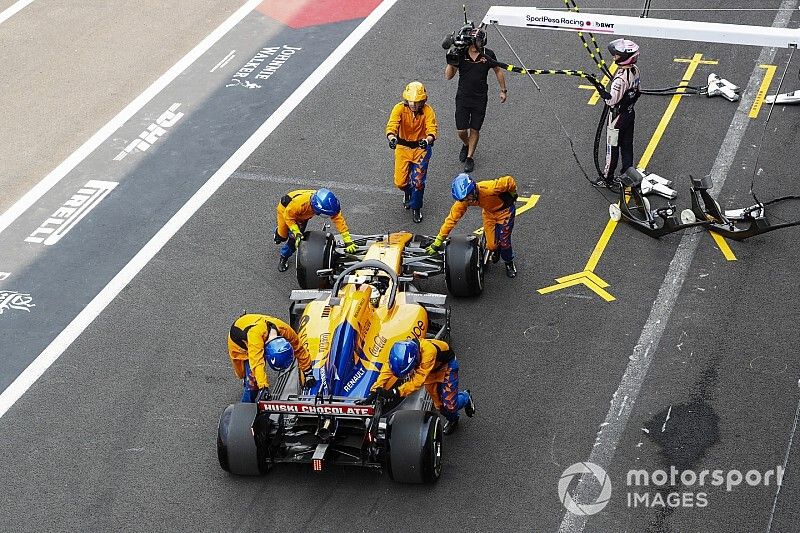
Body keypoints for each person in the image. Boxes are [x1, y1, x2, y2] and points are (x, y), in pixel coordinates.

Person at [360, 338, 475, 435]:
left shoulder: (429, 353)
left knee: (449, 405)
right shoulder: (396, 354)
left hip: (446, 368)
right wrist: (374, 391)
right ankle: (453, 419)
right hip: (429, 372)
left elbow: (417, 381)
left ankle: (465, 397)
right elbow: (386, 373)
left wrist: (395, 392)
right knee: (440, 406)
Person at [427, 173, 518, 278]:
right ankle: (496, 248)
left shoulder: (489, 188)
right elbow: (451, 220)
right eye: (464, 199)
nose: (468, 201)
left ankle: (509, 262)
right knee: (491, 246)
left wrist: (512, 193)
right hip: (489, 214)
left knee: (505, 242)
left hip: (505, 213)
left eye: (468, 197)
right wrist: (438, 240)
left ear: (473, 189)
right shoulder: (464, 201)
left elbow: (509, 181)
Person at [445, 26, 507, 174]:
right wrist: (451, 60)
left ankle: (470, 157)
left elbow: (498, 70)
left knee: (475, 128)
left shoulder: (488, 54)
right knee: (461, 130)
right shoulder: (461, 54)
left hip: (480, 98)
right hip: (463, 97)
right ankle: (466, 144)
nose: (477, 43)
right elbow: (448, 76)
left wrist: (503, 90)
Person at [227, 313, 315, 402]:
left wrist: (308, 372)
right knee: (250, 382)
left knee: (254, 377)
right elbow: (257, 364)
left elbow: (299, 348)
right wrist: (263, 387)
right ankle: (245, 406)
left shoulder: (286, 330)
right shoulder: (255, 340)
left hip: (255, 329)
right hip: (239, 345)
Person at [386, 81, 438, 224]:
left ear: (423, 101)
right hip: (402, 148)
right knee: (400, 182)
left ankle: (416, 207)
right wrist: (392, 138)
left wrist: (427, 141)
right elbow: (392, 126)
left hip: (421, 150)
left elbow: (432, 130)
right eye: (410, 101)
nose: (413, 104)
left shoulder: (428, 111)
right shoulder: (399, 108)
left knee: (418, 182)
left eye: (416, 102)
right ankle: (408, 192)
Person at [274, 188, 358, 272]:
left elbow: (338, 220)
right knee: (282, 236)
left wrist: (347, 240)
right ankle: (278, 233)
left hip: (302, 216)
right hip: (285, 211)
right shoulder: (299, 204)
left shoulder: (328, 204)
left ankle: (283, 257)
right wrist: (296, 231)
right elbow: (288, 217)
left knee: (293, 241)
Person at [598, 38, 641, 188]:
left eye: (616, 55)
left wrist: (602, 92)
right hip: (630, 114)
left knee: (612, 147)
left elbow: (611, 101)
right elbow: (638, 91)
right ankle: (628, 173)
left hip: (617, 118)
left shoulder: (620, 80)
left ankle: (607, 177)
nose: (613, 57)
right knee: (627, 145)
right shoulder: (635, 70)